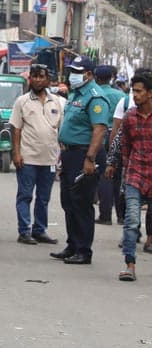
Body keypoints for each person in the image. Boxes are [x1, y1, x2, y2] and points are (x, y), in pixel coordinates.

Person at [51, 55, 111, 265]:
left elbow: (99, 129)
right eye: (72, 71)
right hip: (69, 154)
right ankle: (72, 245)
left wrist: (90, 159)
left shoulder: (95, 97)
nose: (72, 76)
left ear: (88, 74)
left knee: (82, 202)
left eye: (76, 72)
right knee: (68, 201)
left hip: (84, 154)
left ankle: (84, 250)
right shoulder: (77, 93)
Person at [10, 63, 63, 245]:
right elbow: (15, 129)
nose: (38, 80)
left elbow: (61, 131)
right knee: (25, 195)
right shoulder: (22, 101)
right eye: (35, 76)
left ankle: (39, 230)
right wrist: (16, 153)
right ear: (30, 79)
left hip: (49, 158)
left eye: (41, 76)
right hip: (28, 158)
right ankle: (24, 231)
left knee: (44, 197)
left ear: (48, 79)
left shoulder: (56, 101)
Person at [112, 73, 152, 281]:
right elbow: (124, 145)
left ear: (150, 94)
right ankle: (130, 264)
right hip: (135, 174)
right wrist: (116, 165)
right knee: (132, 220)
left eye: (139, 91)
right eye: (133, 91)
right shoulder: (129, 117)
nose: (135, 95)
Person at [94, 65, 126, 225]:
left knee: (104, 175)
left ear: (96, 78)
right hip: (119, 137)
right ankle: (121, 215)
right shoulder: (121, 95)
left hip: (102, 136)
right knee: (118, 176)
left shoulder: (95, 95)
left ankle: (105, 214)